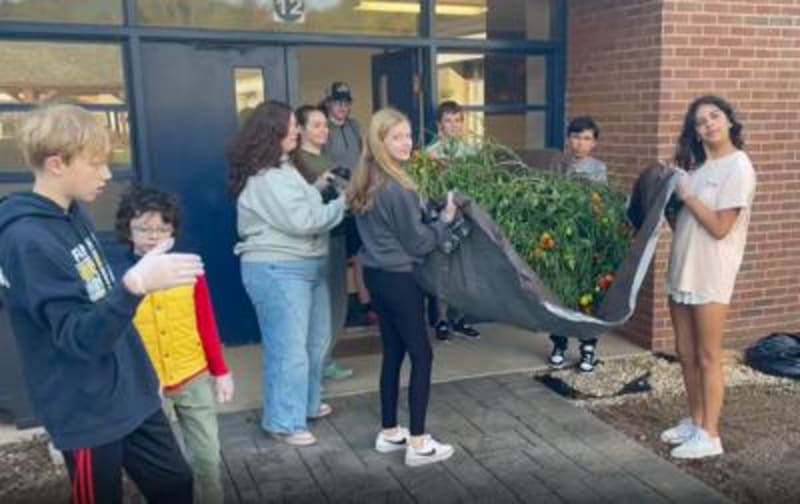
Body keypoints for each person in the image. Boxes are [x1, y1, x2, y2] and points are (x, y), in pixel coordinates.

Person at [0, 104, 200, 503]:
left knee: (176, 484)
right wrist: (134, 286)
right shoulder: (27, 240)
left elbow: (99, 295)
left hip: (131, 392)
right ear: (56, 164)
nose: (107, 174)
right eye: (95, 163)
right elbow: (78, 337)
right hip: (86, 408)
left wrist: (143, 373)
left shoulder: (74, 214)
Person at [347, 107, 461, 467]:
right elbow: (418, 243)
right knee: (422, 355)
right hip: (401, 278)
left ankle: (389, 431)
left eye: (408, 135)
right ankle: (419, 443)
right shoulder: (397, 187)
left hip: (376, 275)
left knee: (393, 352)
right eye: (396, 137)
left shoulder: (366, 180)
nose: (406, 142)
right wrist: (445, 220)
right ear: (379, 142)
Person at [229, 100, 346, 447]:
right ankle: (283, 422)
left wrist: (319, 187)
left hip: (307, 265)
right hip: (278, 270)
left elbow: (300, 204)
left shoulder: (285, 168)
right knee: (289, 351)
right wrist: (346, 201)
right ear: (273, 131)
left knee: (315, 343)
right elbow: (304, 221)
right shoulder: (265, 177)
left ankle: (305, 405)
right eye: (293, 125)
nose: (297, 130)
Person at [114, 186, 235, 504]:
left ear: (172, 230)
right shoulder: (121, 278)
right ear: (128, 228)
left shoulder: (188, 269)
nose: (153, 236)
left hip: (193, 376)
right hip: (147, 388)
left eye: (162, 228)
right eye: (144, 228)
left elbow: (206, 323)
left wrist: (221, 371)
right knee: (163, 469)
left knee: (207, 457)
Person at [660, 95, 756, 459]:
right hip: (682, 270)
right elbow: (684, 225)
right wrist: (669, 198)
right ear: (696, 133)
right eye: (700, 122)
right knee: (685, 353)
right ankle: (696, 421)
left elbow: (719, 227)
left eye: (715, 116)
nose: (708, 124)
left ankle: (710, 436)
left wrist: (687, 196)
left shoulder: (738, 166)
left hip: (711, 274)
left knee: (707, 356)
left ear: (729, 121)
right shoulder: (698, 170)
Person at [294, 104, 353, 381]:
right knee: (319, 304)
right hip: (315, 240)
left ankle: (325, 358)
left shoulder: (327, 158)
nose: (324, 130)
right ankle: (317, 363)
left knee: (337, 300)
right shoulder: (297, 163)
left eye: (325, 125)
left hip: (337, 234)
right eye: (316, 125)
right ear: (300, 129)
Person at [548, 116, 608, 373]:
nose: (580, 143)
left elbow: (599, 202)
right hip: (562, 238)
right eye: (575, 137)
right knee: (560, 293)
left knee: (586, 294)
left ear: (594, 143)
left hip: (586, 240)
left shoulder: (598, 168)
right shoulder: (559, 164)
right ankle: (558, 344)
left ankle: (588, 347)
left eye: (586, 138)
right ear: (568, 139)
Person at [424, 100, 480, 341]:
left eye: (458, 120)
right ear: (440, 125)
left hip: (466, 218)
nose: (454, 125)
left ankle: (460, 318)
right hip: (443, 218)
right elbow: (427, 189)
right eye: (448, 121)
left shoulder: (471, 152)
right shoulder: (430, 154)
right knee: (443, 269)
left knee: (464, 268)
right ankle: (442, 320)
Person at [322, 82, 376, 326]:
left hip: (358, 198)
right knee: (337, 257)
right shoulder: (323, 129)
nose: (342, 107)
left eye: (346, 102)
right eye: (337, 102)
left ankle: (365, 304)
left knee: (360, 254)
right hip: (335, 200)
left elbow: (365, 157)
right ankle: (337, 309)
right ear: (328, 104)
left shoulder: (355, 126)